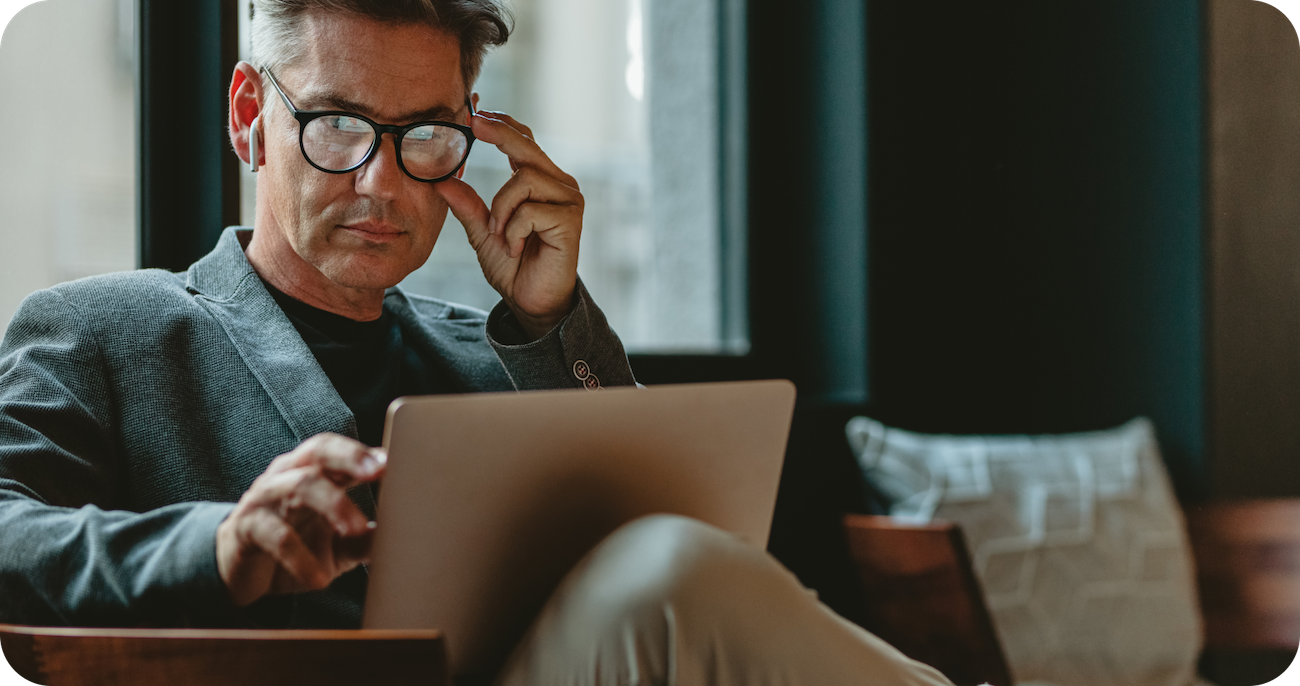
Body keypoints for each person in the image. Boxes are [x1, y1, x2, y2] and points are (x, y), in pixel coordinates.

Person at [0, 1, 953, 684]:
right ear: (252, 117)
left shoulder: (499, 357)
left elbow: (682, 536)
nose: (383, 184)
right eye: (337, 126)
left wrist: (551, 314)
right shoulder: (100, 329)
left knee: (671, 567)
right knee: (671, 575)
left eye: (425, 136)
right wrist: (221, 544)